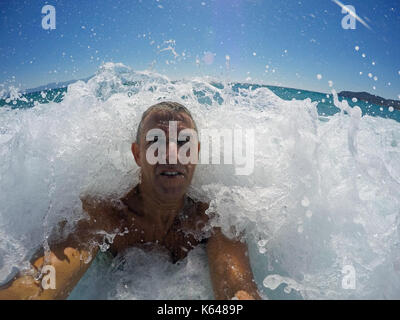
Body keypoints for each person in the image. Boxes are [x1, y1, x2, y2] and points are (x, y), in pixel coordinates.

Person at [0, 101, 261, 300]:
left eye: (184, 143)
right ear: (137, 154)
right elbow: (40, 283)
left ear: (196, 152)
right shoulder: (105, 216)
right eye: (156, 142)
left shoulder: (214, 217)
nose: (171, 155)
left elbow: (237, 290)